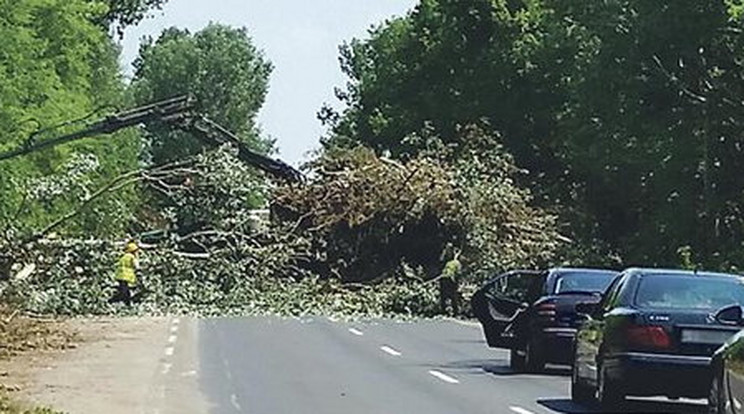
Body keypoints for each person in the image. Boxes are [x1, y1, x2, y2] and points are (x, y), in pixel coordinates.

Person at [109, 241, 140, 306]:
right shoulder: (132, 257)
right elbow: (137, 266)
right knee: (124, 292)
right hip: (126, 276)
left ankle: (126, 303)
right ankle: (112, 301)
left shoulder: (124, 256)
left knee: (124, 290)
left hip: (120, 275)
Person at [439, 246, 462, 316]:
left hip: (452, 281)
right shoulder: (445, 261)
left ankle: (455, 312)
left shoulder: (456, 263)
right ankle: (444, 311)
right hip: (444, 279)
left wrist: (457, 282)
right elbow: (441, 262)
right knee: (444, 296)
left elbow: (458, 273)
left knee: (453, 296)